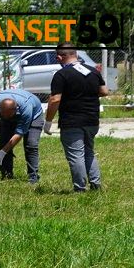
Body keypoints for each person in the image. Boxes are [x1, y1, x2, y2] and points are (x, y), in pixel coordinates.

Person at [44, 43, 109, 192]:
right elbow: (104, 91)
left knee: (76, 155)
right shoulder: (93, 71)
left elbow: (55, 100)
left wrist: (48, 122)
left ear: (59, 57)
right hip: (92, 120)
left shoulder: (61, 75)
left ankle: (80, 189)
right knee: (89, 152)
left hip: (72, 121)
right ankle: (96, 185)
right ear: (76, 55)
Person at [0, 89, 44, 183]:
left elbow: (19, 134)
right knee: (4, 142)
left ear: (16, 109)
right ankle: (7, 175)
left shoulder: (26, 108)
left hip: (34, 115)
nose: (5, 117)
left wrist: (3, 152)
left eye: (8, 115)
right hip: (12, 110)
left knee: (31, 145)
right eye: (2, 115)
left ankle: (33, 177)